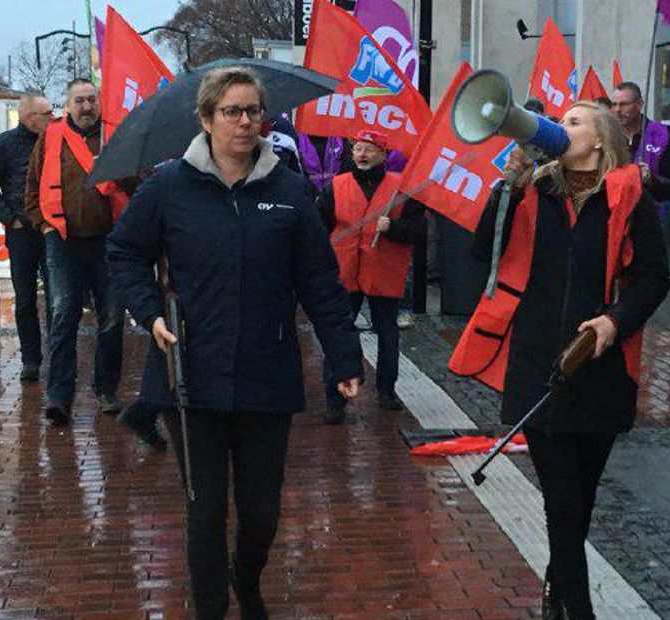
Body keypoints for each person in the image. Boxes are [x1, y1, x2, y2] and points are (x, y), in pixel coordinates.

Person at [106, 66, 363, 620]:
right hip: (187, 370)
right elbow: (123, 253)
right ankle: (211, 608)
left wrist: (344, 355)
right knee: (205, 510)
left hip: (266, 371)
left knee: (262, 512)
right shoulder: (169, 186)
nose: (246, 123)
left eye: (253, 112)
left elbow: (319, 281)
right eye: (232, 112)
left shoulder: (289, 191)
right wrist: (149, 314)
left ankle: (246, 580)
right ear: (205, 119)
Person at [452, 101, 670, 619]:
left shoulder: (629, 195)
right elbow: (485, 249)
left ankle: (556, 587)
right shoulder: (534, 188)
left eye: (575, 121)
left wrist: (614, 322)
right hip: (539, 368)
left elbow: (655, 278)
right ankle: (576, 611)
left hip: (599, 368)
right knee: (562, 503)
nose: (561, 126)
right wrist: (508, 186)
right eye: (561, 119)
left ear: (599, 140)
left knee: (580, 503)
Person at [24, 79, 133, 425]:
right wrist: (42, 223)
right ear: (67, 105)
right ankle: (59, 395)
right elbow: (32, 185)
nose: (86, 107)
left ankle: (106, 389)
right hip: (62, 239)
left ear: (99, 102)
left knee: (113, 318)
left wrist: (117, 168)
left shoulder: (116, 136)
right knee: (63, 313)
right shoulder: (50, 137)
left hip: (109, 240)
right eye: (79, 101)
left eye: (91, 100)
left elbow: (141, 182)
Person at [318, 129, 425, 424]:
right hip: (345, 271)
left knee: (388, 334)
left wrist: (394, 228)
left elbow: (418, 231)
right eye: (358, 149)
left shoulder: (401, 188)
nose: (362, 155)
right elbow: (318, 229)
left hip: (383, 273)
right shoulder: (335, 187)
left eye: (369, 149)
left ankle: (387, 391)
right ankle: (334, 399)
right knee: (338, 334)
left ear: (383, 154)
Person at [0, 93, 53, 382]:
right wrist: (10, 219)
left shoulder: (55, 139)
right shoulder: (5, 144)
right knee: (24, 300)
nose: (52, 118)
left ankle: (59, 357)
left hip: (51, 230)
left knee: (58, 298)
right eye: (46, 113)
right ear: (29, 116)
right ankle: (30, 359)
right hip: (22, 231)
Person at [609, 82, 670, 203]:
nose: (617, 110)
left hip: (649, 212)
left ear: (639, 104)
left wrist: (651, 180)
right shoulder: (607, 135)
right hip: (614, 211)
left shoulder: (661, 135)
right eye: (614, 104)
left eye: (623, 104)